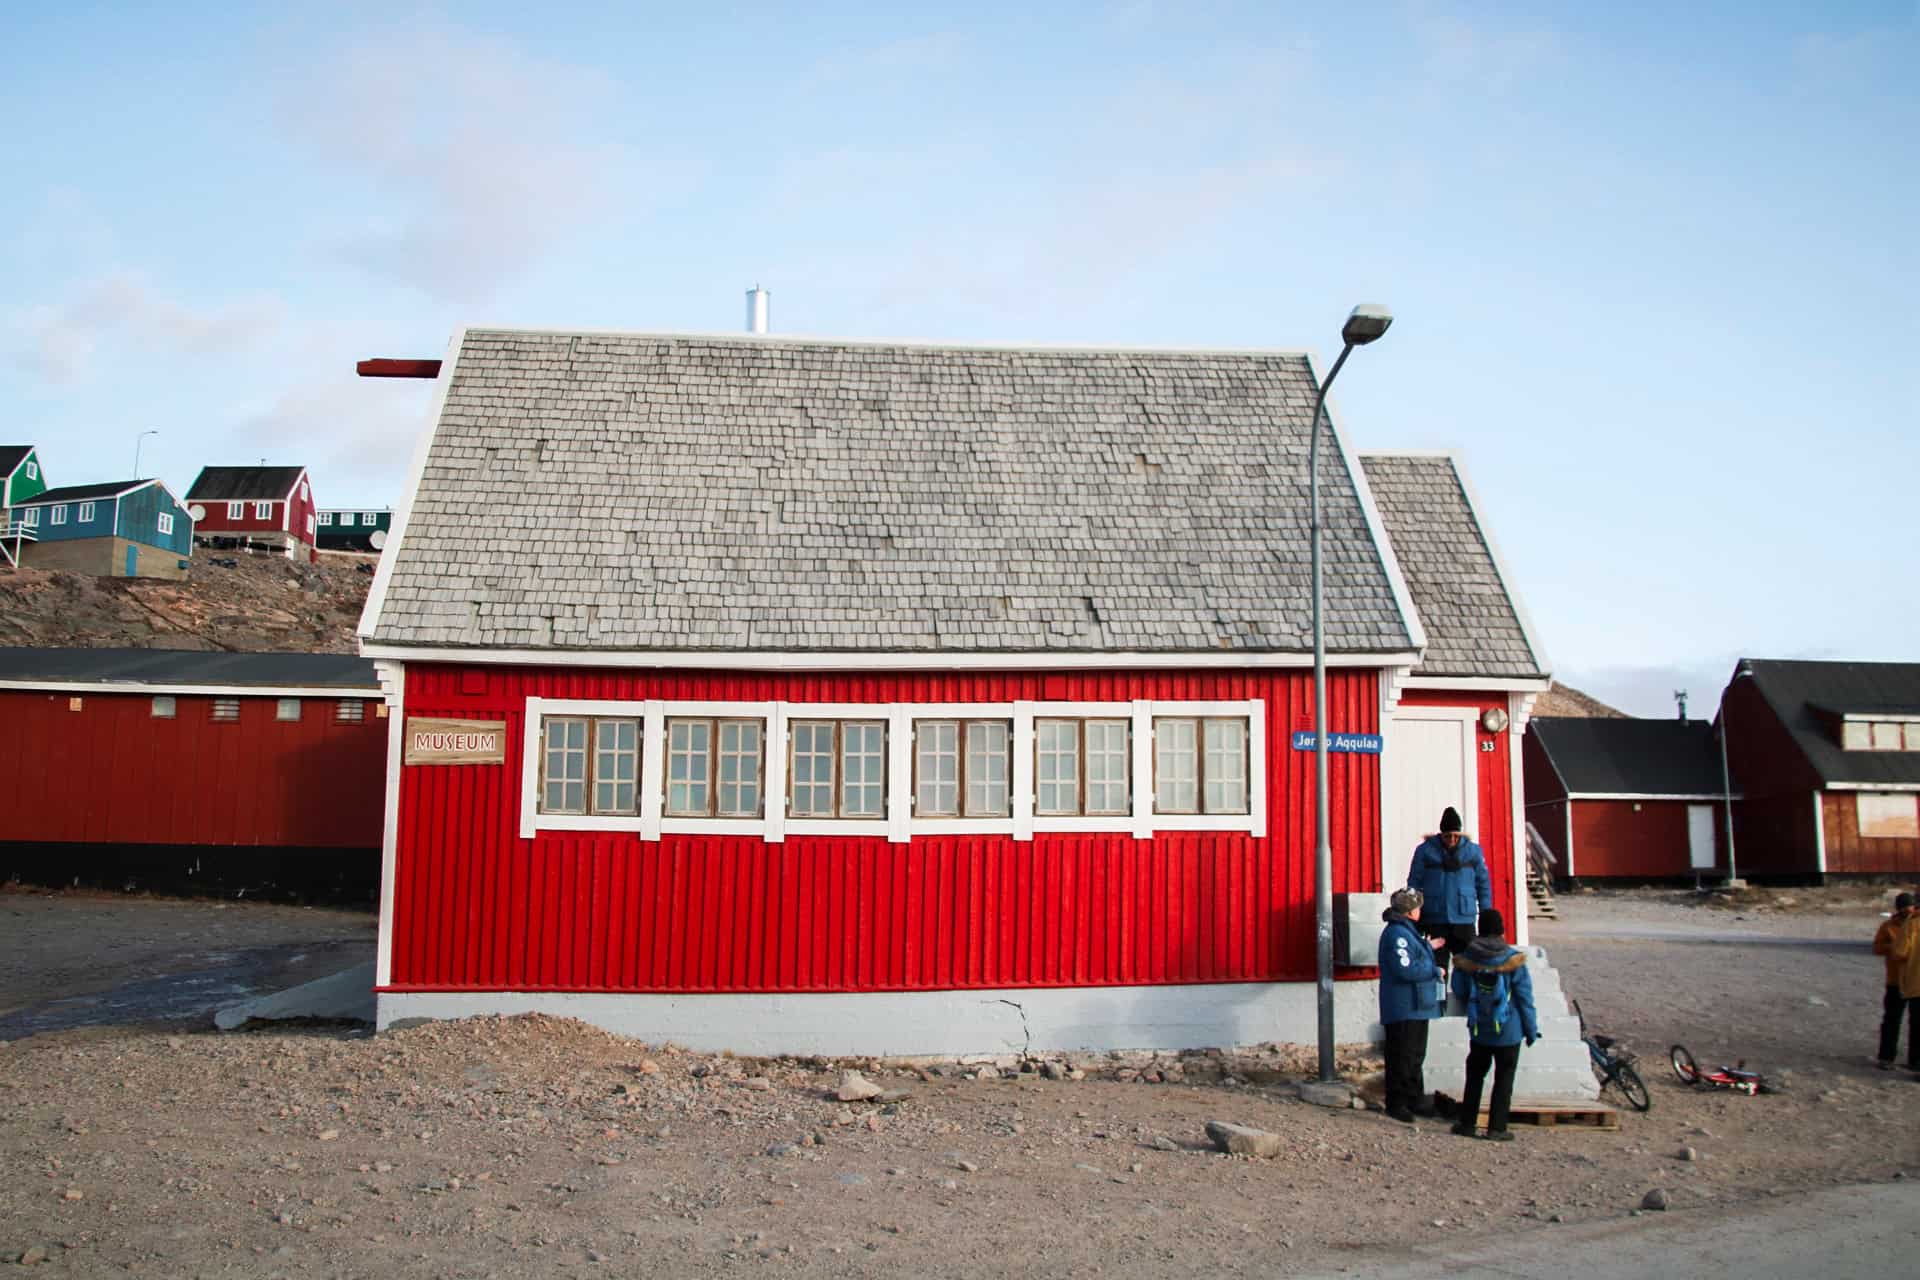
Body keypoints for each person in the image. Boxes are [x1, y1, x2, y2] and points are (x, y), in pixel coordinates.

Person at [1449, 908, 1538, 1141]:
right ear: (1501, 929)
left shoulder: (1468, 958)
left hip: (1480, 1029)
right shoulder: (1513, 960)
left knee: (1475, 1075)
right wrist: (1530, 1030)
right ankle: (1497, 1128)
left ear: (1480, 928)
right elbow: (1525, 998)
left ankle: (1467, 1123)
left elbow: (1459, 989)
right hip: (1509, 1030)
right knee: (1504, 1079)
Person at [1377, 887, 1448, 1123]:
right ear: (1409, 911)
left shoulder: (1408, 933)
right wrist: (1433, 969)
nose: (1420, 910)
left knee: (1415, 1055)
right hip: (1404, 1005)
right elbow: (1404, 968)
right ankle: (1397, 1102)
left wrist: (1428, 947)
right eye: (1417, 906)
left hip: (1417, 1005)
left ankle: (1414, 1098)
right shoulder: (1397, 934)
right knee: (1402, 1056)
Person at [1407, 806, 1492, 971]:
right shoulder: (1425, 851)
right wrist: (1413, 912)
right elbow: (1414, 882)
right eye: (1447, 836)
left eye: (1455, 835)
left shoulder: (1473, 852)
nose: (1452, 839)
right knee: (1437, 968)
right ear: (1441, 834)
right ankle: (1439, 997)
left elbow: (1483, 884)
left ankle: (1468, 996)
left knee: (1469, 967)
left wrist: (1486, 914)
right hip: (1435, 918)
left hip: (1464, 919)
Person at [1872, 893, 1916, 1070]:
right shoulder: (1888, 926)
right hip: (1895, 980)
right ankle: (1886, 1057)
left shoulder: (1916, 924)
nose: (1907, 909)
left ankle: (1915, 1061)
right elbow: (1877, 947)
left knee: (1917, 1023)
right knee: (1891, 1020)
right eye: (1904, 907)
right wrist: (1894, 947)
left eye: (1910, 906)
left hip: (1915, 980)